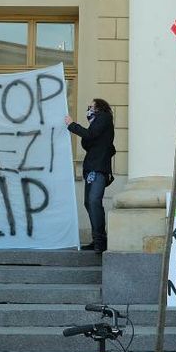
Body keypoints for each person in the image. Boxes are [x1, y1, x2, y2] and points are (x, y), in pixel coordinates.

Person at [65, 98, 116, 253]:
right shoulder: (97, 123)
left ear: (99, 108)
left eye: (91, 106)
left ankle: (100, 241)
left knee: (93, 201)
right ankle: (97, 239)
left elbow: (90, 135)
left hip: (97, 168)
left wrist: (71, 125)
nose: (89, 109)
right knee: (89, 202)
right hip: (92, 169)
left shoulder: (104, 118)